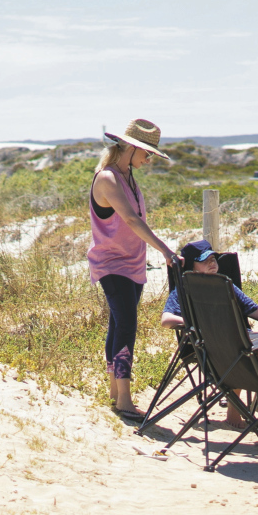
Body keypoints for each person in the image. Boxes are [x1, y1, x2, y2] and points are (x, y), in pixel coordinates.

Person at [88, 119, 178, 419]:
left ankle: (115, 392)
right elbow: (130, 219)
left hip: (133, 264)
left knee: (118, 325)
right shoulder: (108, 178)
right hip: (112, 263)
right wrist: (165, 250)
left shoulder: (128, 176)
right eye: (147, 153)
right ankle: (125, 399)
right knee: (126, 326)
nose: (149, 159)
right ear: (131, 147)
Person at [158, 239, 258, 339]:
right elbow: (166, 320)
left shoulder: (226, 285)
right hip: (212, 343)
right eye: (204, 260)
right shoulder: (184, 290)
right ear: (192, 267)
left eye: (213, 259)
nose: (211, 263)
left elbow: (255, 311)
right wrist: (199, 324)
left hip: (242, 338)